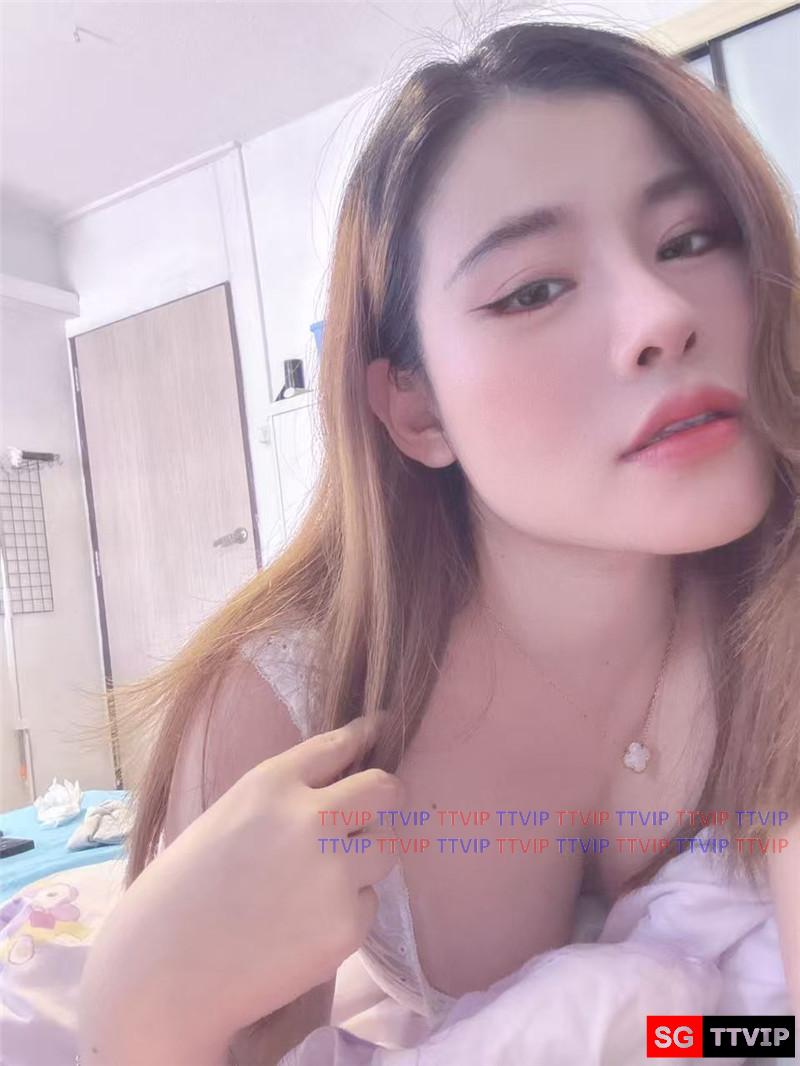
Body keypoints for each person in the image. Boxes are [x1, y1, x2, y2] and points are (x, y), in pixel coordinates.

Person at [77, 18, 800, 1066]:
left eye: (689, 239)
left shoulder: (778, 611)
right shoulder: (292, 707)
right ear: (414, 409)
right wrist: (137, 1011)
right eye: (533, 289)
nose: (660, 313)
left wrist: (669, 1035)